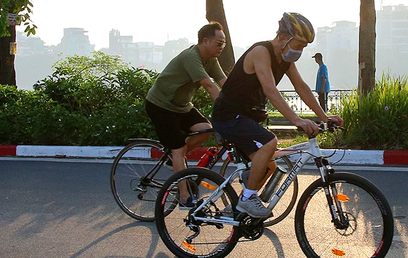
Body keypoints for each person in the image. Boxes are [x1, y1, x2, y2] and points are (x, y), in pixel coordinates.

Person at [212, 12, 343, 220]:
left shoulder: (284, 59)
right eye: (299, 45)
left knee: (270, 164)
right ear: (283, 38)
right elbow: (270, 90)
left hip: (247, 117)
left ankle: (237, 208)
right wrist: (297, 120)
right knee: (269, 143)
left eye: (304, 47)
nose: (300, 51)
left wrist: (325, 117)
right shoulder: (261, 52)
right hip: (228, 115)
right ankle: (248, 198)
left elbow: (301, 88)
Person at [144, 22, 228, 207]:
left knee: (205, 129)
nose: (222, 47)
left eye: (224, 44)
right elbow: (209, 86)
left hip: (181, 106)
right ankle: (183, 196)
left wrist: (241, 102)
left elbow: (224, 83)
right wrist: (227, 112)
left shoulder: (211, 60)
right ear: (205, 41)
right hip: (160, 105)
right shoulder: (192, 57)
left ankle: (174, 159)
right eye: (219, 43)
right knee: (178, 149)